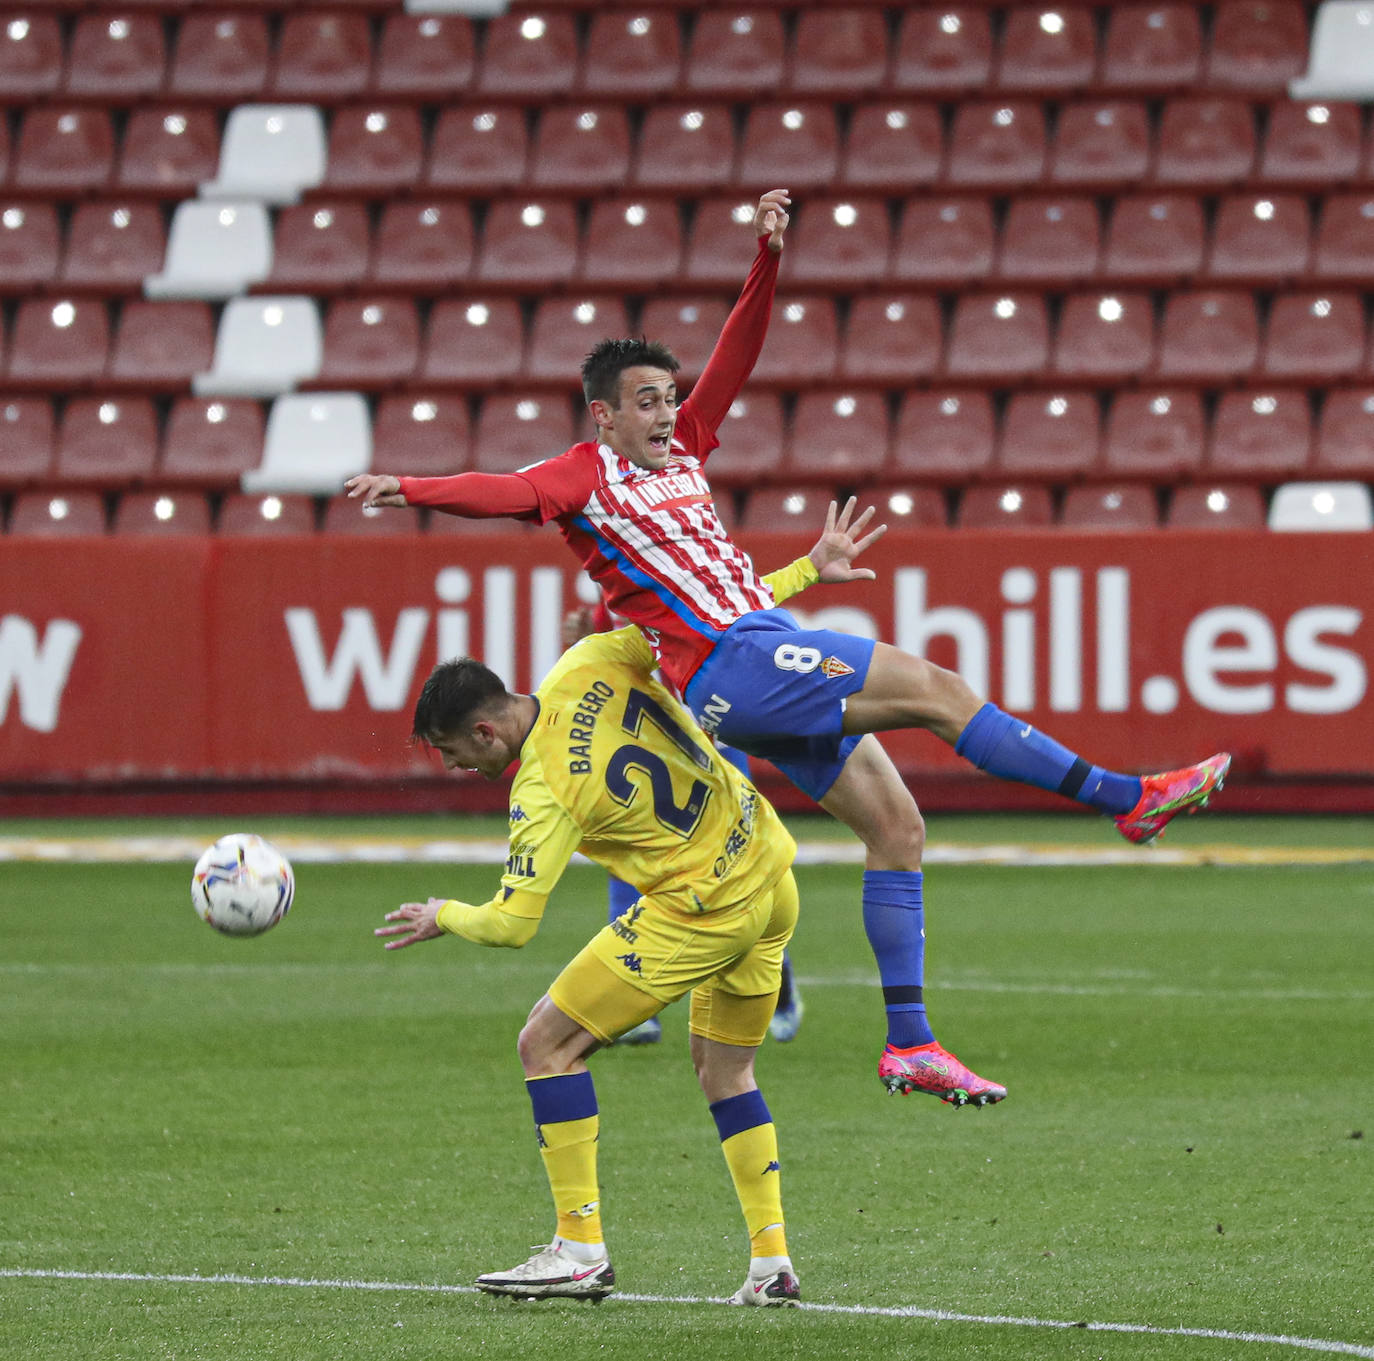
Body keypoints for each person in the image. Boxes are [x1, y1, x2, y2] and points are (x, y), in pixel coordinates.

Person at [348, 188, 1231, 1107]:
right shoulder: (583, 474)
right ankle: (1128, 799)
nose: (664, 412)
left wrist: (766, 258)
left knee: (898, 830)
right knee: (935, 686)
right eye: (643, 401)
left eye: (667, 397)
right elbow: (498, 490)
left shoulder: (685, 447)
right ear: (603, 416)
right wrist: (409, 487)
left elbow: (739, 351)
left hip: (759, 646)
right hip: (736, 664)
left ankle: (911, 1042)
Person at [373, 517, 880, 1305]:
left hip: (703, 905)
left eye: (453, 751)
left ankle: (578, 1248)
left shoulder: (540, 788)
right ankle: (770, 1263)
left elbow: (512, 923)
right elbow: (716, 624)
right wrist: (808, 569)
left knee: (545, 1043)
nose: (456, 767)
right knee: (727, 1068)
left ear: (483, 728)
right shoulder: (591, 657)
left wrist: (446, 913)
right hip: (770, 868)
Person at [559, 601, 803, 1048]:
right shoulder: (610, 596)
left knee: (745, 869)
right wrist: (582, 644)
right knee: (634, 857)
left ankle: (780, 987)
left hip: (709, 736)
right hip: (645, 744)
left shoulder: (674, 579)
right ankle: (633, 1006)